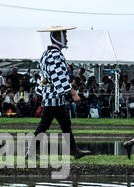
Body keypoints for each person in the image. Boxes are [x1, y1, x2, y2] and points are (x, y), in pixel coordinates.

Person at [33, 26, 91, 159]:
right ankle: (30, 151)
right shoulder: (55, 55)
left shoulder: (47, 54)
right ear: (58, 37)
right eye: (65, 36)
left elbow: (43, 77)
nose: (67, 39)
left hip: (53, 95)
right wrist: (73, 93)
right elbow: (59, 76)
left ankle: (74, 150)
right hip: (53, 96)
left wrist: (42, 93)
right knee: (45, 125)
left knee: (64, 123)